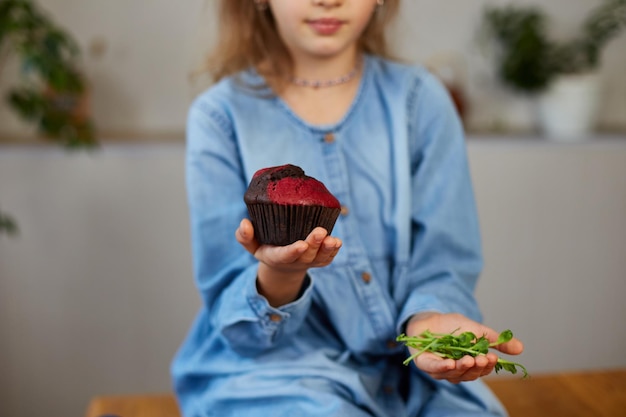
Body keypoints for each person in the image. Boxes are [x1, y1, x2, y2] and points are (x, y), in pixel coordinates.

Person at [171, 0, 524, 416]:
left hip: (414, 374)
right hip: (275, 374)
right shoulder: (219, 117)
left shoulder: (420, 99)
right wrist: (281, 273)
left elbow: (444, 257)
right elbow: (238, 326)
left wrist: (426, 322)